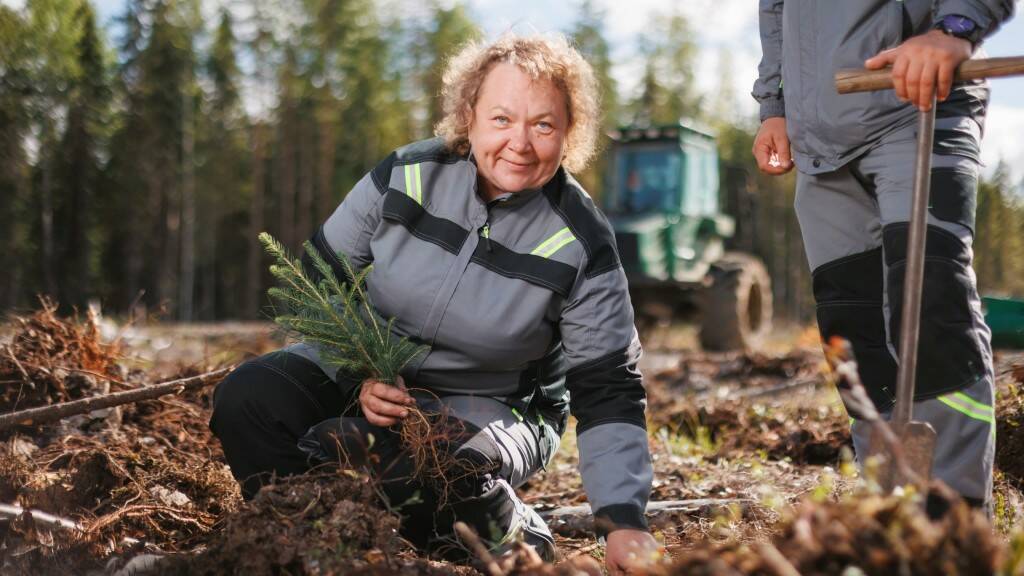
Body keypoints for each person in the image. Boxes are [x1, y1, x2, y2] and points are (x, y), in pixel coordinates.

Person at [210, 34, 660, 574]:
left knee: (437, 467)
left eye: (543, 125)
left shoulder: (581, 241)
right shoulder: (407, 175)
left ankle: (517, 537)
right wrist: (362, 375)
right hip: (376, 373)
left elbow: (609, 389)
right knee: (249, 400)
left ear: (568, 134)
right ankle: (309, 543)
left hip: (497, 404)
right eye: (501, 119)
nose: (520, 142)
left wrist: (623, 520)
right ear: (468, 116)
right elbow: (319, 278)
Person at [753, 0, 1014, 510]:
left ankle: (951, 520)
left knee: (929, 301)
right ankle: (892, 506)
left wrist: (953, 28)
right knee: (852, 333)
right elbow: (776, 11)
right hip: (820, 142)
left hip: (919, 109)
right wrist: (775, 107)